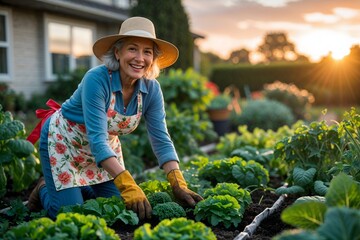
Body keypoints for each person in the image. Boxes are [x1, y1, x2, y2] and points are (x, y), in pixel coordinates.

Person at [26, 16, 203, 220]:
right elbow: (97, 139)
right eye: (132, 49)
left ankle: (74, 188)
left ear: (153, 59)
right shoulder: (97, 79)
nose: (139, 58)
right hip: (64, 142)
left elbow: (162, 140)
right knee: (71, 214)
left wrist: (178, 183)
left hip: (104, 151)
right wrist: (128, 184)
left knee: (120, 208)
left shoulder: (151, 89)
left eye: (147, 52)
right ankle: (45, 189)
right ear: (118, 52)